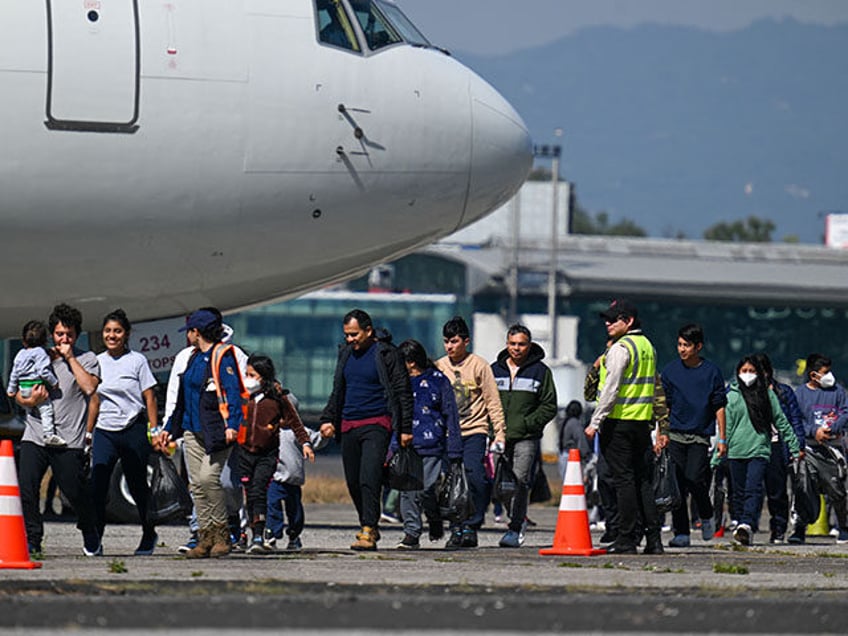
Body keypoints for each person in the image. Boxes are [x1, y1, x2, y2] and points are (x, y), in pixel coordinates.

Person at [318, 309, 413, 551]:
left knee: (369, 477)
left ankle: (368, 529)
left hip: (377, 424)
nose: (350, 340)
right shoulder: (346, 354)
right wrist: (329, 418)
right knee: (352, 481)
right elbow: (337, 389)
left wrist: (404, 428)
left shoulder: (386, 354)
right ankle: (368, 522)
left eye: (354, 334)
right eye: (347, 335)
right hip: (349, 424)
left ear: (368, 331)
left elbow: (402, 392)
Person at [156, 308, 247, 558]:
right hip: (190, 429)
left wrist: (233, 426)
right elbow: (182, 400)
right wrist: (168, 430)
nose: (188, 334)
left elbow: (235, 395)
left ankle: (222, 535)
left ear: (197, 332)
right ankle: (205, 538)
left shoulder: (223, 356)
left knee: (209, 479)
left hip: (216, 431)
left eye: (190, 330)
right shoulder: (192, 357)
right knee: (196, 485)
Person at [14, 303, 101, 556]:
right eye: (60, 334)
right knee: (27, 487)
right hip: (35, 433)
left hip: (68, 439)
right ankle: (33, 538)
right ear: (52, 333)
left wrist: (70, 358)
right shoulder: (36, 356)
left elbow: (89, 389)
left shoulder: (87, 359)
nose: (64, 339)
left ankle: (89, 529)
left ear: (77, 335)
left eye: (70, 334)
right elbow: (20, 392)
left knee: (73, 491)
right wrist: (27, 401)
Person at [584, 299, 666, 555]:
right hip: (641, 423)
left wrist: (595, 421)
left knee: (624, 482)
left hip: (618, 423)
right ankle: (653, 539)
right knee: (643, 481)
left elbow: (610, 389)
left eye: (614, 319)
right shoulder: (647, 347)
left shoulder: (620, 348)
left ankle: (626, 539)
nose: (608, 324)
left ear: (628, 321)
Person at [86, 309, 159, 555]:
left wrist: (154, 429)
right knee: (97, 485)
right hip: (104, 431)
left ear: (126, 334)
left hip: (132, 429)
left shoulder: (137, 361)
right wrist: (88, 433)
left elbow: (149, 397)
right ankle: (95, 537)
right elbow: (94, 401)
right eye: (108, 331)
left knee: (138, 485)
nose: (112, 335)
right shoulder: (97, 361)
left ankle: (149, 534)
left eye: (117, 331)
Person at [436, 316, 506, 549]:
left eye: (454, 341)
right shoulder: (439, 366)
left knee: (475, 477)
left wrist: (499, 434)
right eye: (446, 341)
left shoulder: (479, 365)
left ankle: (472, 524)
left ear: (466, 341)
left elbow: (492, 401)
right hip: (447, 434)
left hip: (474, 431)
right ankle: (456, 527)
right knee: (450, 482)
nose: (449, 347)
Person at [722, 355, 802, 546]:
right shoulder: (732, 394)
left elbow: (784, 421)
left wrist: (794, 445)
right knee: (739, 491)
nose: (748, 375)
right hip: (737, 450)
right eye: (744, 371)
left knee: (762, 489)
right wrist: (721, 448)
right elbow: (727, 424)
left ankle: (761, 525)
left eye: (752, 371)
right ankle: (743, 526)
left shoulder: (773, 394)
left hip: (763, 448)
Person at [490, 324, 558, 548]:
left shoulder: (541, 372)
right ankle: (514, 515)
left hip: (526, 437)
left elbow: (549, 405)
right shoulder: (494, 370)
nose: (516, 349)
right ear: (506, 344)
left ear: (529, 345)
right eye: (512, 344)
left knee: (520, 481)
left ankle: (515, 526)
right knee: (502, 486)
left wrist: (528, 423)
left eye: (521, 344)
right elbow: (485, 401)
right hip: (500, 436)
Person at [661, 323, 727, 548]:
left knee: (695, 479)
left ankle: (706, 514)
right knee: (677, 485)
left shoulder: (712, 372)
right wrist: (662, 433)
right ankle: (681, 533)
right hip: (676, 435)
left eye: (686, 345)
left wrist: (722, 438)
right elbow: (666, 406)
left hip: (700, 436)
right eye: (679, 344)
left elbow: (719, 406)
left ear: (698, 346)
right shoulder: (670, 371)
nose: (682, 349)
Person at [240, 354, 314, 553]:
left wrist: (305, 443)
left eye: (252, 375)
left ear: (264, 377)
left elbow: (295, 421)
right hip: (245, 453)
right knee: (249, 494)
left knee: (259, 491)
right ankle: (251, 531)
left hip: (267, 454)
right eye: (246, 374)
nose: (248, 379)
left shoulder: (277, 399)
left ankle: (259, 535)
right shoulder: (243, 397)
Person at [394, 339, 462, 550]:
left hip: (432, 444)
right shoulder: (398, 383)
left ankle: (434, 518)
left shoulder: (438, 380)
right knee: (408, 492)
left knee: (426, 490)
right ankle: (411, 533)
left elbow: (451, 414)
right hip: (407, 446)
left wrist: (455, 447)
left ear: (412, 362)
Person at [791, 353, 848, 544]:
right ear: (813, 375)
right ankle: (800, 528)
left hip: (833, 449)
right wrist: (813, 432)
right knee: (803, 486)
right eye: (825, 372)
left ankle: (843, 526)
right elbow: (796, 420)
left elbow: (845, 412)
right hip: (810, 450)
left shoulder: (838, 392)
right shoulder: (800, 394)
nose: (829, 376)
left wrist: (832, 429)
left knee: (837, 490)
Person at [752, 353, 806, 544]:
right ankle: (747, 525)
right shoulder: (744, 392)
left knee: (777, 491)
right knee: (753, 489)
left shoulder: (783, 392)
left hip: (776, 445)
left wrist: (797, 446)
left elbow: (794, 421)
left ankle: (778, 528)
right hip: (753, 445)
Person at [265, 423, 332, 551]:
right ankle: (271, 534)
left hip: (293, 478)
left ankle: (294, 535)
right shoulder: (269, 428)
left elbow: (314, 440)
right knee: (272, 505)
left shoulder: (299, 431)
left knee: (295, 511)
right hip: (273, 477)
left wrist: (323, 435)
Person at [7, 320, 61, 445]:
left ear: (24, 340)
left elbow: (14, 373)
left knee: (30, 412)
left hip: (23, 388)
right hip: (35, 386)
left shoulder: (20, 354)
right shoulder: (40, 352)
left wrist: (11, 390)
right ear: (44, 341)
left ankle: (33, 432)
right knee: (46, 409)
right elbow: (43, 371)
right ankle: (48, 434)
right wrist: (54, 382)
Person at [558, 400, 592, 479]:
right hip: (572, 457)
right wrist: (587, 456)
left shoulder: (565, 422)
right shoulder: (575, 423)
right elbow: (581, 440)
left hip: (563, 454)